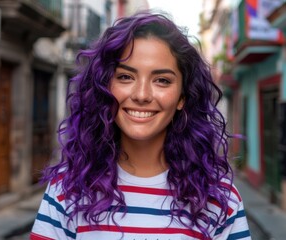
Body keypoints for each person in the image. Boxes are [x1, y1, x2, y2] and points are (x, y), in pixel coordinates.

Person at [30, 11, 251, 240]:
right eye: (125, 77)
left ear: (182, 98)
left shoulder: (220, 198)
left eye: (162, 80)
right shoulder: (67, 190)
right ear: (106, 87)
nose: (142, 95)